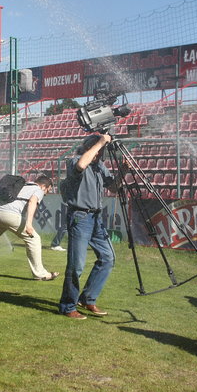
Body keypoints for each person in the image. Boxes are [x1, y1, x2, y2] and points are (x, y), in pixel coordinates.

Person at [58, 134, 119, 320]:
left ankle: (88, 298)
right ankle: (68, 305)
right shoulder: (76, 160)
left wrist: (122, 171)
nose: (101, 155)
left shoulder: (99, 166)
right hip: (80, 216)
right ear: (90, 147)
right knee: (77, 265)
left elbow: (114, 188)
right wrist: (100, 142)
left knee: (108, 258)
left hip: (96, 217)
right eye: (99, 150)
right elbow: (81, 166)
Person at [0, 175, 60, 281]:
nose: (46, 194)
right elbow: (32, 202)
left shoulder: (20, 185)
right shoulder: (38, 189)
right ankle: (40, 273)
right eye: (47, 190)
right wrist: (29, 224)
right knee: (34, 239)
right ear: (44, 186)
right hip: (10, 215)